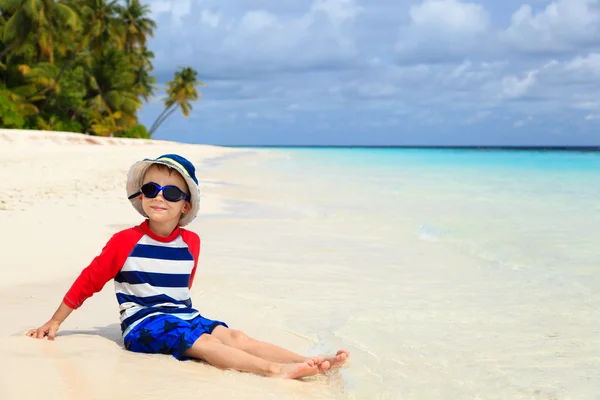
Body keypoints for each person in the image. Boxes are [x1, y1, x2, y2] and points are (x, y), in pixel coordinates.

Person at [27, 154, 348, 379]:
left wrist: (187, 318)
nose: (159, 197)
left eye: (171, 193)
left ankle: (310, 361)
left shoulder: (191, 242)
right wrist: (55, 321)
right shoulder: (125, 241)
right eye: (151, 189)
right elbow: (90, 280)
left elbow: (181, 290)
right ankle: (274, 370)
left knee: (236, 336)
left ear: (185, 205)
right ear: (141, 197)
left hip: (184, 316)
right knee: (206, 344)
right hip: (144, 325)